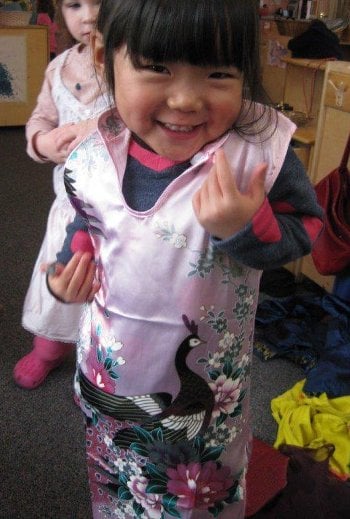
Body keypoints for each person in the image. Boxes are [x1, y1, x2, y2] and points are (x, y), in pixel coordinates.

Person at [46, 0, 323, 517]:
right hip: (112, 372)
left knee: (194, 495)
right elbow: (88, 220)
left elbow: (305, 230)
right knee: (116, 482)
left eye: (218, 73)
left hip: (204, 400)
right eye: (156, 67)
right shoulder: (91, 153)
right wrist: (68, 270)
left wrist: (245, 225)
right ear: (106, 56)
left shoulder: (255, 155)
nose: (186, 99)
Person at [13, 0, 109, 390]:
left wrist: (98, 125)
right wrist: (42, 141)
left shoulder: (135, 62)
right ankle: (49, 349)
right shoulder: (59, 66)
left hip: (121, 209)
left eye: (100, 3)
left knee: (107, 296)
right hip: (70, 202)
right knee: (60, 279)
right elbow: (40, 116)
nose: (88, 16)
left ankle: (96, 370)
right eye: (74, 4)